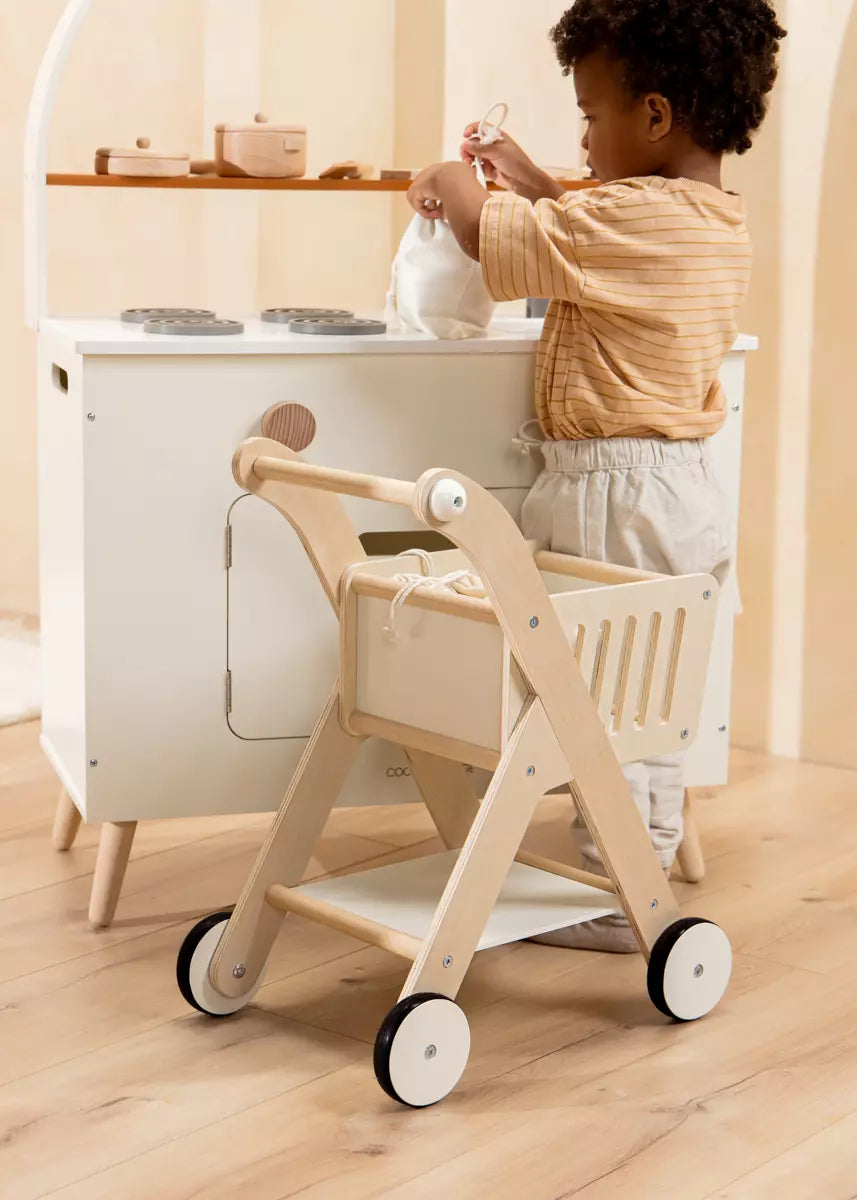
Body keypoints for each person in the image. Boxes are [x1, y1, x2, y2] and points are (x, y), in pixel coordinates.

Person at [407, 0, 786, 952]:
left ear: (653, 118)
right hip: (657, 484)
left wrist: (453, 182)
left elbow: (490, 238)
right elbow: (582, 208)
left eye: (590, 114)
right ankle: (625, 867)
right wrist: (531, 171)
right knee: (624, 691)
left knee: (614, 700)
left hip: (621, 493)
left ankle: (628, 890)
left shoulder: (631, 220)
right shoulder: (700, 216)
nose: (582, 135)